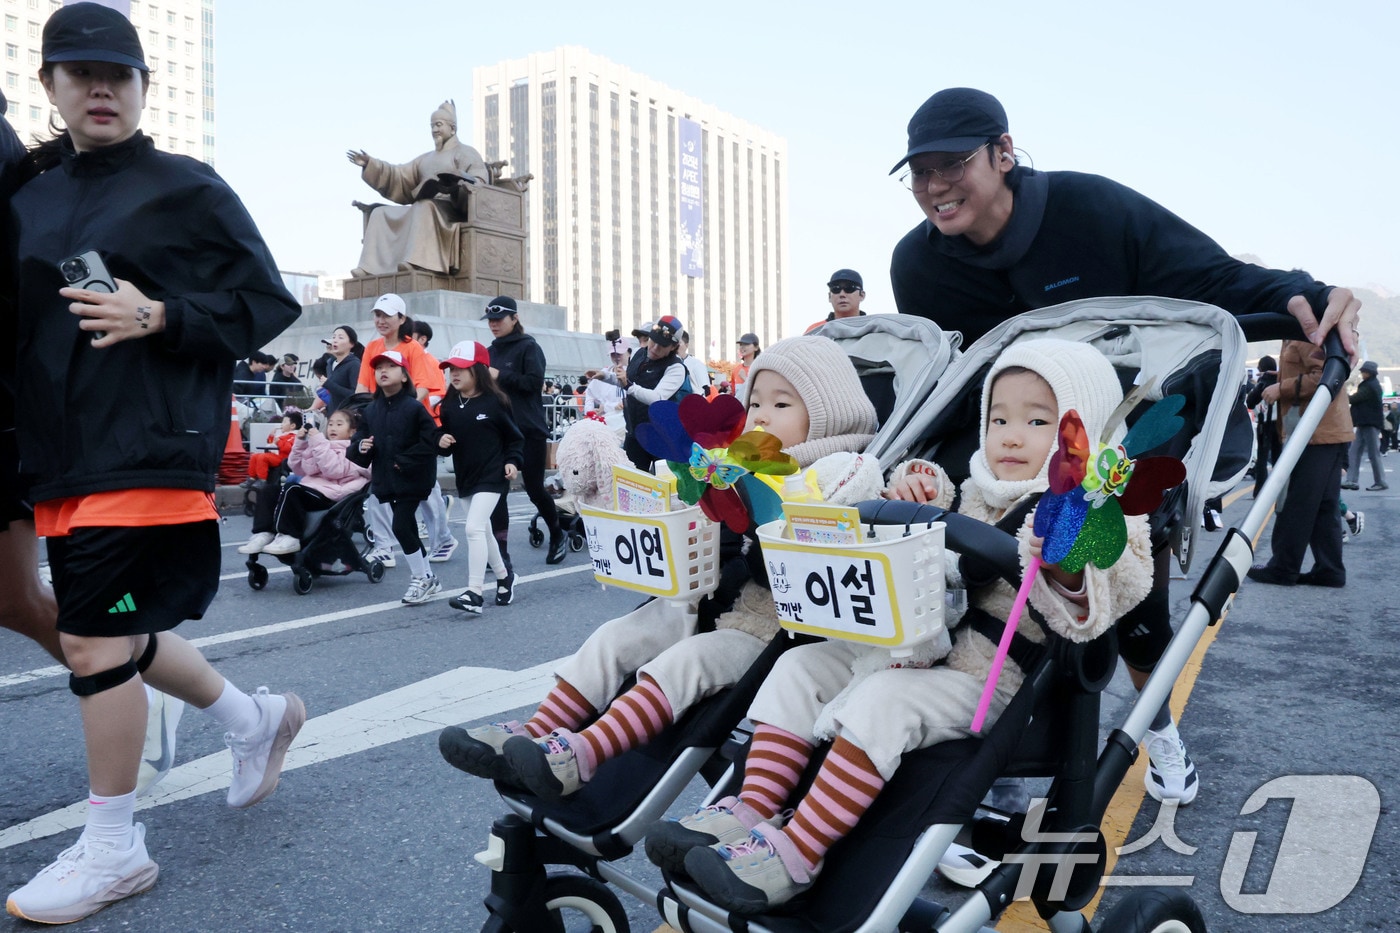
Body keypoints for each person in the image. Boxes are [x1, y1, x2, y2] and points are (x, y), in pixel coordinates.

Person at [886, 86, 1363, 808]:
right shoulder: (918, 263)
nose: (933, 186)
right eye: (918, 171)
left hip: (1122, 431)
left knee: (1135, 603)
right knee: (970, 582)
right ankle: (983, 758)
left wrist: (1307, 291)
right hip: (1010, 438)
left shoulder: (1093, 211)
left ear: (1004, 154)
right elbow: (945, 379)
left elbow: (1213, 279)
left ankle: (1159, 731)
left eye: (952, 163)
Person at [668, 340, 1153, 913]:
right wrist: (918, 485)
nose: (1011, 435)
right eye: (998, 418)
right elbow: (940, 502)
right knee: (800, 667)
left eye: (1038, 420)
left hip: (989, 683)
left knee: (885, 702)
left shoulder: (1103, 515)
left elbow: (1113, 587)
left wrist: (1071, 561)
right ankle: (751, 808)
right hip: (912, 649)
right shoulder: (976, 492)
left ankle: (797, 853)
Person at [5, 6, 306, 923]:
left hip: (148, 442)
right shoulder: (27, 196)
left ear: (144, 86)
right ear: (49, 86)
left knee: (94, 638)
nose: (101, 87)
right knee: (105, 625)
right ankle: (258, 719)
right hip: (52, 452)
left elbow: (266, 301)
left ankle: (114, 847)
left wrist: (162, 316)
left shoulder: (187, 186)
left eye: (119, 74)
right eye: (81, 72)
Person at [440, 335, 886, 802]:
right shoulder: (737, 460)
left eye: (780, 404)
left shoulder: (843, 467)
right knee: (617, 634)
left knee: (683, 664)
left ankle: (583, 753)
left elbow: (835, 514)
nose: (760, 416)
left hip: (778, 626)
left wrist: (763, 480)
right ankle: (535, 730)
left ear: (829, 413)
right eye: (754, 403)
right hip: (723, 592)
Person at [1248, 340, 1356, 587]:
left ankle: (1283, 568)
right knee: (1324, 505)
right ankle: (1330, 570)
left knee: (1297, 501)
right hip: (1327, 429)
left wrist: (1281, 388)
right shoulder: (1310, 331)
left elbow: (1324, 375)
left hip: (1313, 431)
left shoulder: (1306, 334)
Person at [347, 99, 489, 277]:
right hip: (422, 208)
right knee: (380, 213)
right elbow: (399, 174)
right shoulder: (425, 159)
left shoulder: (467, 153)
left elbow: (479, 182)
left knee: (425, 206)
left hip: (451, 209)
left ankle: (417, 262)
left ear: (452, 128)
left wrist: (458, 183)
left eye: (438, 125)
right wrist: (371, 164)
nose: (434, 130)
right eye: (432, 126)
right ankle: (370, 268)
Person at [436, 341, 523, 614]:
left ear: (480, 370)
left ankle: (474, 593)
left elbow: (514, 438)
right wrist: (441, 440)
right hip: (466, 476)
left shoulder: (496, 402)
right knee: (483, 532)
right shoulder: (448, 405)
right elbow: (439, 437)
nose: (455, 374)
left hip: (493, 474)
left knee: (473, 528)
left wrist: (512, 461)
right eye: (451, 369)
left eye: (462, 368)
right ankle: (504, 577)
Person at [348, 350, 442, 604]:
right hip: (387, 479)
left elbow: (431, 442)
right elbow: (359, 442)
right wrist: (361, 447)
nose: (383, 371)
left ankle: (421, 578)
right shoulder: (371, 410)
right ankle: (429, 578)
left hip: (414, 478)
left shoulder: (414, 408)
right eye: (379, 367)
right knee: (408, 527)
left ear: (404, 375)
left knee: (400, 526)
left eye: (391, 366)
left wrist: (405, 461)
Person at [484, 296, 566, 565]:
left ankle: (557, 534)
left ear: (514, 318)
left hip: (528, 428)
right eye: (490, 321)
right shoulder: (490, 351)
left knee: (533, 487)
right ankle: (501, 553)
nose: (494, 325)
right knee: (498, 492)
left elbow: (533, 384)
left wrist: (499, 375)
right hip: (498, 431)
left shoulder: (529, 347)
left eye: (499, 320)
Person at [356, 294, 437, 567]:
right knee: (384, 494)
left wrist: (399, 412)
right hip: (383, 430)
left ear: (401, 319)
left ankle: (440, 541)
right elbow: (363, 388)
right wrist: (363, 417)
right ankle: (387, 548)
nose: (380, 320)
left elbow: (422, 385)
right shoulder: (371, 347)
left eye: (386, 315)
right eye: (376, 314)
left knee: (419, 501)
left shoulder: (413, 348)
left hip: (411, 434)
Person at [238, 408, 370, 556]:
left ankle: (289, 535)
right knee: (268, 490)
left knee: (292, 489)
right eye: (331, 424)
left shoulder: (354, 451)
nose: (333, 428)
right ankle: (263, 533)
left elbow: (333, 470)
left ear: (352, 431)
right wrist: (300, 442)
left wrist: (318, 442)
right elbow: (298, 468)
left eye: (339, 424)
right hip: (314, 489)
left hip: (332, 496)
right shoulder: (323, 445)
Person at [592, 315, 693, 473]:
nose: (654, 348)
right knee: (632, 484)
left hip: (663, 437)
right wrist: (605, 377)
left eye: (662, 346)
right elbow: (627, 380)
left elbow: (657, 398)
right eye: (653, 341)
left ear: (673, 347)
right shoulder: (640, 354)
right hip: (635, 432)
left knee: (662, 488)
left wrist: (628, 385)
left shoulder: (676, 368)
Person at [409, 318, 460, 563]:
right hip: (408, 429)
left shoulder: (429, 362)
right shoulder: (407, 360)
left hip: (425, 429)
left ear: (422, 339)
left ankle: (442, 539)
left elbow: (437, 394)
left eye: (410, 336)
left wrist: (410, 408)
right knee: (421, 489)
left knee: (425, 489)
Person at [1342, 361, 1387, 491]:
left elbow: (1354, 399)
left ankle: (1380, 481)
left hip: (1369, 423)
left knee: (1372, 454)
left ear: (1370, 372)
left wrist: (1341, 394)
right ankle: (1351, 480)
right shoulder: (1371, 384)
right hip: (1365, 423)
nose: (1362, 373)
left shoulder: (1370, 386)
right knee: (1355, 452)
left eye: (1364, 371)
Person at [1245, 355, 1282, 498]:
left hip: (1264, 424)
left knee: (1262, 458)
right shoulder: (1281, 381)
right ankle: (1279, 491)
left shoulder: (1263, 382)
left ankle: (1260, 491)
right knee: (1278, 458)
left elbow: (1250, 402)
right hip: (1279, 423)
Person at [243, 410, 301, 486]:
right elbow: (270, 443)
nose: (282, 424)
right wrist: (271, 436)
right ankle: (252, 478)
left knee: (262, 457)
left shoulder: (293, 436)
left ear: (292, 426)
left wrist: (278, 442)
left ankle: (262, 480)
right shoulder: (282, 435)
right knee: (254, 456)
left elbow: (287, 448)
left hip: (282, 458)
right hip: (275, 455)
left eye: (284, 422)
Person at [804, 268, 868, 333]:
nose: (842, 294)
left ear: (862, 295)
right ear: (829, 297)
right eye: (836, 289)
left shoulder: (872, 328)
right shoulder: (815, 330)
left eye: (849, 288)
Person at [317, 325, 362, 416]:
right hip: (333, 416)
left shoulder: (354, 364)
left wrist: (329, 384)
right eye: (334, 337)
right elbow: (335, 395)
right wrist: (327, 408)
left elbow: (354, 395)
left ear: (351, 344)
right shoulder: (330, 363)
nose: (335, 340)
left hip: (347, 418)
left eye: (340, 337)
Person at [678, 329, 711, 399]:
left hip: (693, 404)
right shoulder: (667, 363)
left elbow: (706, 390)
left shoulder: (697, 364)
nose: (675, 346)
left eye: (679, 343)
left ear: (686, 345)